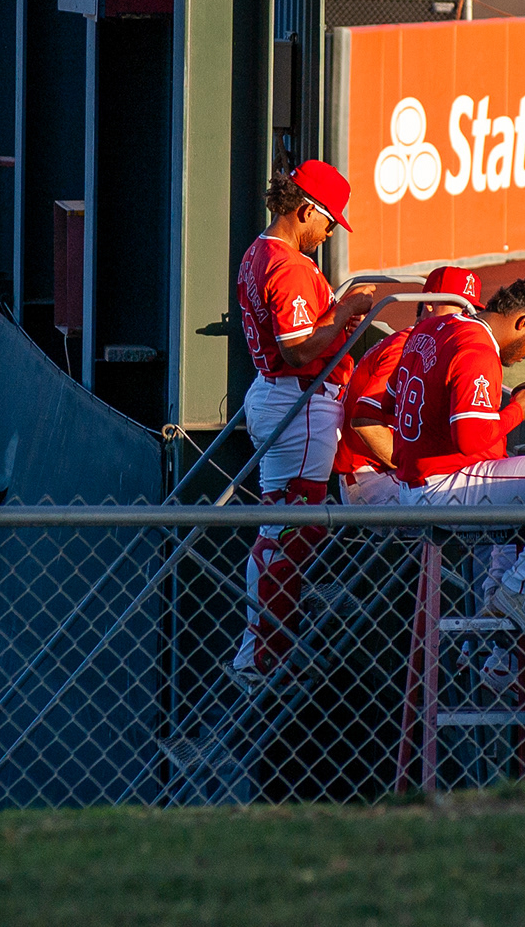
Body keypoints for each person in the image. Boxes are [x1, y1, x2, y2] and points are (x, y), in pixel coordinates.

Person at [389, 276, 525, 648]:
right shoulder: (478, 348)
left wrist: (506, 408)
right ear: (523, 321)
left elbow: (397, 398)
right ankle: (519, 588)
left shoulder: (434, 327)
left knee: (522, 484)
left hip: (414, 484)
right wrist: (518, 411)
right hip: (443, 490)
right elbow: (470, 438)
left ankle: (497, 649)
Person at [232, 161, 377, 683]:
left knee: (277, 525)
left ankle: (258, 642)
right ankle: (265, 648)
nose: (331, 229)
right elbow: (297, 350)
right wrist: (340, 319)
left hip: (278, 397)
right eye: (328, 219)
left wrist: (336, 314)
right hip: (301, 403)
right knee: (297, 527)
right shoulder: (289, 265)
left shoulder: (260, 250)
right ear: (304, 210)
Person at [333, 265, 483, 506]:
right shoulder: (407, 346)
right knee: (466, 503)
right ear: (430, 304)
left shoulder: (417, 341)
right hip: (370, 475)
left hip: (378, 471)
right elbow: (366, 423)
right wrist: (415, 465)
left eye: (470, 310)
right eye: (458, 308)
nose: (465, 318)